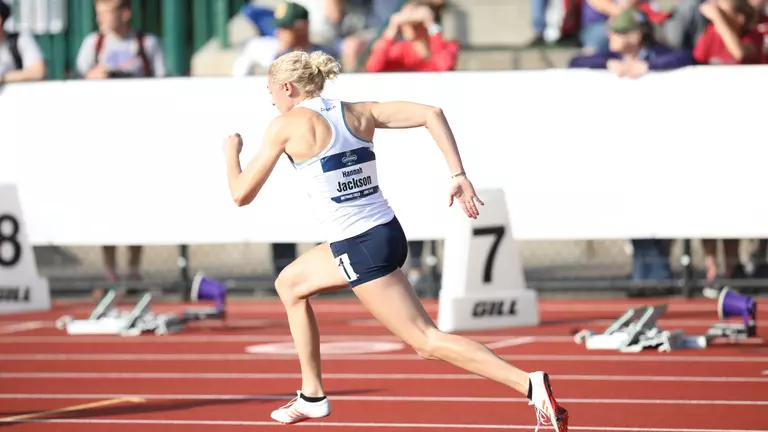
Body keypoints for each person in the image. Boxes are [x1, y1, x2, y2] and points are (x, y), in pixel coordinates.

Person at [221, 50, 569, 432]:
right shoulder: (359, 111)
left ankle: (528, 384)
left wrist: (230, 154)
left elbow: (241, 194)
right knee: (290, 283)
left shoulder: (285, 125)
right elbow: (431, 113)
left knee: (426, 342)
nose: (270, 99)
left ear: (287, 87)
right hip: (385, 232)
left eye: (270, 90)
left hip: (359, 246)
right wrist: (458, 173)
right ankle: (312, 395)